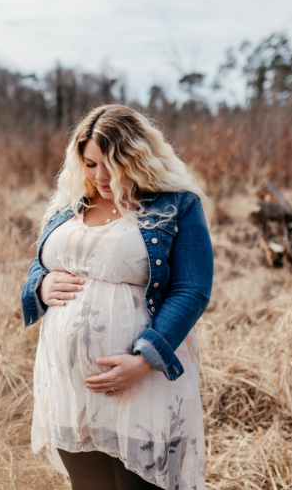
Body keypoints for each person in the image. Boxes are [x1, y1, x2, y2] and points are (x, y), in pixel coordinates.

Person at [20, 104, 214, 490]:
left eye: (111, 163)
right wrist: (39, 286)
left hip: (140, 383)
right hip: (70, 387)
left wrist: (144, 361)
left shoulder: (176, 205)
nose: (100, 176)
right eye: (90, 164)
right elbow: (42, 261)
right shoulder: (70, 204)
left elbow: (192, 288)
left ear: (137, 157)